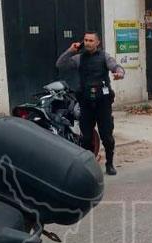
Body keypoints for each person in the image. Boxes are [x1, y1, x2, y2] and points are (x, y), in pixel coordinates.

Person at [56, 31, 125, 175]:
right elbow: (60, 64)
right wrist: (70, 50)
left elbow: (116, 66)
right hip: (86, 103)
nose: (87, 43)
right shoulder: (79, 58)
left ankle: (110, 164)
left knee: (107, 136)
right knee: (86, 138)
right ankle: (88, 166)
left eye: (91, 40)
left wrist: (119, 73)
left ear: (97, 43)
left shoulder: (104, 57)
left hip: (103, 103)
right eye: (86, 40)